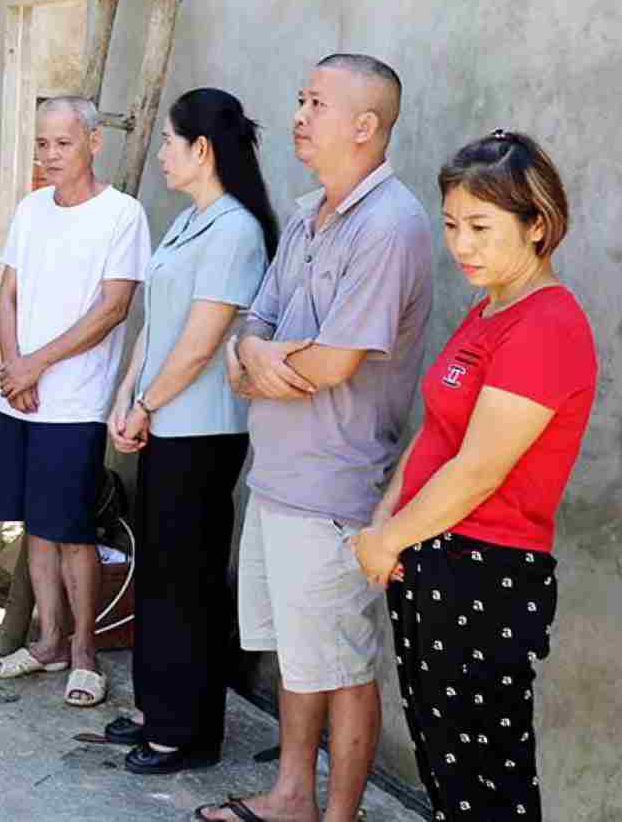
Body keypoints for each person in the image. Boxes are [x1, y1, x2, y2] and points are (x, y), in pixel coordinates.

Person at [195, 53, 435, 822]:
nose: (299, 114)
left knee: (341, 663)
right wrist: (258, 357)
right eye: (299, 98)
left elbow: (335, 361)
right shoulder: (305, 213)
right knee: (300, 657)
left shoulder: (390, 225)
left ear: (365, 126)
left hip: (335, 485)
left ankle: (338, 815)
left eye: (317, 103)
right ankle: (292, 795)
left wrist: (261, 358)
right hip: (277, 474)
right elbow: (252, 330)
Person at [350, 131, 596, 822]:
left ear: (538, 225)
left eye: (482, 227)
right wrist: (386, 528)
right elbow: (436, 430)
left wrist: (390, 536)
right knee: (447, 763)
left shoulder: (547, 323)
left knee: (486, 777)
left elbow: (480, 468)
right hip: (432, 555)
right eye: (453, 224)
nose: (462, 245)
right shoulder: (489, 309)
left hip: (484, 569)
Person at [104, 89, 279, 775]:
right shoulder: (188, 222)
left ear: (201, 149)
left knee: (188, 579)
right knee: (161, 572)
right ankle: (158, 709)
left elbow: (204, 338)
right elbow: (157, 322)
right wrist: (127, 394)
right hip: (163, 421)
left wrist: (146, 403)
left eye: (172, 143)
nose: (165, 156)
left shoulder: (235, 228)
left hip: (201, 431)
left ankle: (188, 732)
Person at [0, 95, 151, 709]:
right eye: (43, 144)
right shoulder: (31, 209)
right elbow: (7, 294)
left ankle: (85, 652)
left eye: (63, 143)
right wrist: (12, 366)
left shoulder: (122, 215)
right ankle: (49, 641)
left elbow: (112, 309)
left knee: (73, 528)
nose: (50, 156)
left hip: (74, 401)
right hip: (21, 394)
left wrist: (35, 364)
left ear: (93, 143)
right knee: (37, 525)